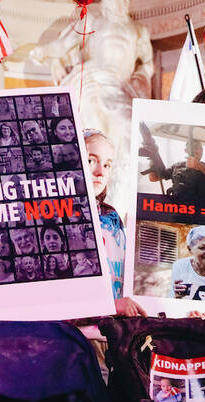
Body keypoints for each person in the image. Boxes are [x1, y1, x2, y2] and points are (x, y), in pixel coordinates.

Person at [84, 128, 144, 315]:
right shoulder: (56, 216)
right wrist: (110, 307)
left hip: (115, 334)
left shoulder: (111, 217)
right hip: (77, 335)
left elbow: (130, 284)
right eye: (91, 161)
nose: (100, 172)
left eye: (107, 165)